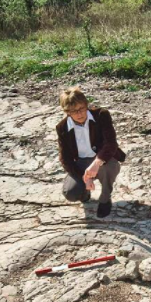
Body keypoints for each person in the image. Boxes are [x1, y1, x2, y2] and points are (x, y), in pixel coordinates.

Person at [56, 86, 125, 218]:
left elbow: (111, 143)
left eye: (82, 108)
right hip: (81, 162)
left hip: (102, 158)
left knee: (110, 167)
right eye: (74, 111)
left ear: (86, 104)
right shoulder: (62, 127)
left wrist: (97, 162)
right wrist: (84, 177)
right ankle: (84, 193)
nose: (79, 114)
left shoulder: (101, 115)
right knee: (71, 193)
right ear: (67, 112)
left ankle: (105, 199)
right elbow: (65, 157)